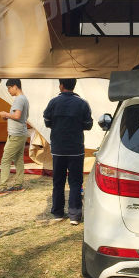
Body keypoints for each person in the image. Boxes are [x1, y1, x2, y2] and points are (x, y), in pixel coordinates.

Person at [43, 78, 93, 225]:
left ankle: (58, 213)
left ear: (61, 85)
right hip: (76, 148)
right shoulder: (82, 103)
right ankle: (75, 216)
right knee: (76, 182)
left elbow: (47, 121)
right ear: (74, 86)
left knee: (58, 181)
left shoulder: (53, 102)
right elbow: (88, 125)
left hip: (58, 148)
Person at [0, 79, 29, 195]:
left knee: (5, 159)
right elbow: (18, 116)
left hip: (16, 135)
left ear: (15, 87)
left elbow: (17, 116)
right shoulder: (24, 98)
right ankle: (18, 184)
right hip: (20, 133)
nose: (8, 91)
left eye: (9, 88)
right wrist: (7, 117)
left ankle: (2, 186)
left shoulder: (19, 99)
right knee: (18, 159)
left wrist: (5, 114)